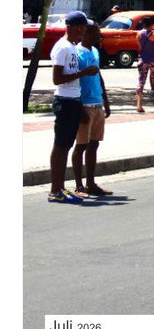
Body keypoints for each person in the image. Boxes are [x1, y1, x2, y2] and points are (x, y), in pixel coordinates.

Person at [48, 11, 99, 203]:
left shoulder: (70, 47)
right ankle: (55, 190)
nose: (85, 30)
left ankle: (60, 187)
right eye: (84, 27)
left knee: (66, 145)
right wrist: (84, 72)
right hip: (65, 101)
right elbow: (57, 79)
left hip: (73, 100)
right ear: (76, 27)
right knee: (61, 145)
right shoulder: (63, 48)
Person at [71, 20, 112, 197]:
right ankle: (79, 185)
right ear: (86, 33)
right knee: (81, 145)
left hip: (97, 103)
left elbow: (99, 76)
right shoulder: (76, 53)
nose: (99, 35)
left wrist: (106, 100)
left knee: (94, 144)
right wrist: (79, 107)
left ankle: (91, 183)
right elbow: (73, 81)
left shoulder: (95, 51)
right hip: (84, 104)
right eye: (96, 32)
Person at [135, 16, 154, 113]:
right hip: (153, 60)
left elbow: (139, 47)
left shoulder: (138, 34)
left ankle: (138, 105)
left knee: (141, 80)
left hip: (143, 60)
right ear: (152, 24)